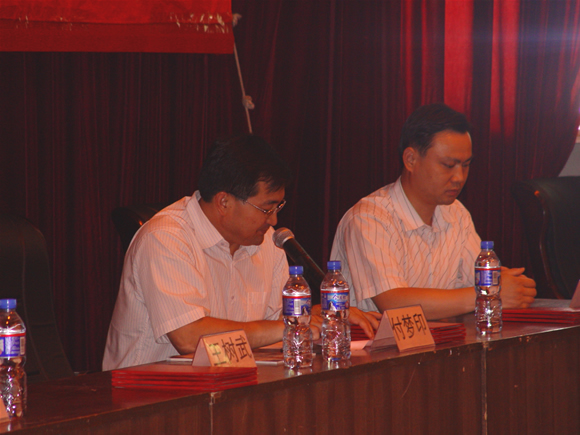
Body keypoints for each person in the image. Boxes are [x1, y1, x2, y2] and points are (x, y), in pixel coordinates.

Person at [103, 134, 379, 370]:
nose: (273, 220)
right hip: (147, 397)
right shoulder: (166, 238)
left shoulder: (267, 242)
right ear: (224, 202)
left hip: (227, 387)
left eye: (278, 207)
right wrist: (290, 325)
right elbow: (188, 337)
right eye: (266, 208)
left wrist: (318, 317)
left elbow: (271, 328)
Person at [330, 103, 536, 320]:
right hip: (372, 341)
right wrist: (486, 294)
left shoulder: (456, 213)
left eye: (466, 165)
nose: (459, 177)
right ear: (411, 160)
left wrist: (512, 287)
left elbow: (483, 280)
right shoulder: (369, 218)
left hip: (440, 338)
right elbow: (393, 303)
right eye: (448, 165)